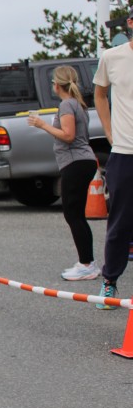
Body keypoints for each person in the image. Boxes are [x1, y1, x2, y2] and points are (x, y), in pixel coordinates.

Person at [27, 65, 99, 281]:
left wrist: (42, 124)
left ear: (57, 85)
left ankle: (87, 264)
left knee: (73, 214)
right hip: (82, 161)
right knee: (76, 214)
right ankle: (87, 262)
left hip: (75, 162)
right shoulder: (78, 104)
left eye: (53, 82)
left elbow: (68, 135)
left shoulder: (67, 104)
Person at [93, 20, 133, 307]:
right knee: (120, 221)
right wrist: (109, 131)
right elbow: (99, 94)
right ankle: (109, 282)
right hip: (124, 151)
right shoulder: (112, 57)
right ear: (130, 22)